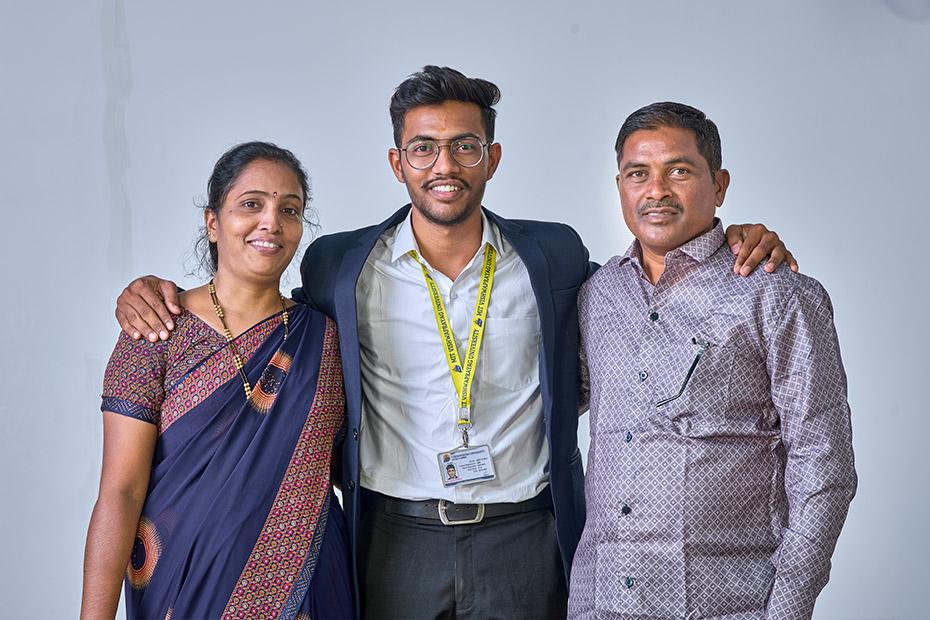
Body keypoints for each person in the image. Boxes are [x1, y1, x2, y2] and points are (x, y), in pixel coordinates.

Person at [113, 67, 795, 619]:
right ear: (397, 162)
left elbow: (647, 297)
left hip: (524, 536)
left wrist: (728, 239)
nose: (445, 164)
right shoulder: (338, 266)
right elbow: (257, 315)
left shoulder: (553, 257)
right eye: (423, 147)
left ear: (492, 157)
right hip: (392, 540)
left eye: (466, 145)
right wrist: (152, 291)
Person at [568, 102, 856, 619]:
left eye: (679, 171)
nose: (656, 191)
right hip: (601, 601)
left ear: (719, 184)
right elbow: (555, 405)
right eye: (639, 174)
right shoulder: (597, 295)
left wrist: (786, 609)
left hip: (727, 604)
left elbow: (824, 467)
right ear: (620, 187)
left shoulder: (776, 296)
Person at [81, 142, 353, 620]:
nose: (271, 221)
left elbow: (340, 466)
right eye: (251, 204)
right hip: (181, 588)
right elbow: (120, 491)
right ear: (212, 221)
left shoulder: (327, 337)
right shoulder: (155, 330)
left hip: (305, 586)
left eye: (289, 209)